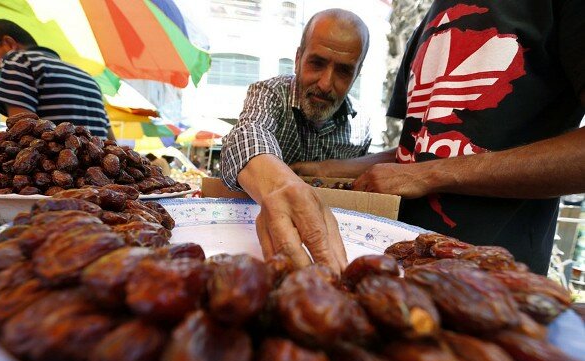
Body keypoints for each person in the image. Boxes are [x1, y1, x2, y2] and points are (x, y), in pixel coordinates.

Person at [291, 0, 585, 275]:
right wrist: (323, 169)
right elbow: (419, 149)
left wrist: (427, 175)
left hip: (488, 284)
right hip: (401, 266)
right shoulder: (426, 26)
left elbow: (422, 169)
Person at [220, 8, 372, 274]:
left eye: (344, 71)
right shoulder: (269, 94)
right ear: (298, 58)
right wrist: (281, 184)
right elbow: (246, 132)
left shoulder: (361, 126)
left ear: (357, 75)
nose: (326, 84)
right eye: (316, 63)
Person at [0, 19, 114, 140]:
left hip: (55, 167)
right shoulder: (88, 77)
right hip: (96, 166)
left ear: (9, 43)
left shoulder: (19, 60)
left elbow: (21, 134)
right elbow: (112, 143)